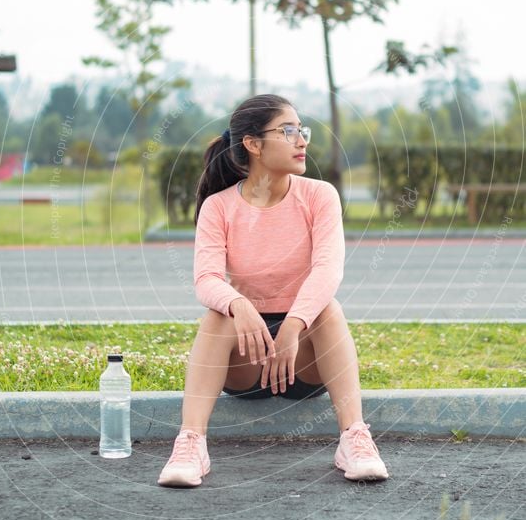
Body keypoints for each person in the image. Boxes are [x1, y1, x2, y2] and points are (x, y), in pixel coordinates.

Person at [158, 94, 389, 488]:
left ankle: (355, 439)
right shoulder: (218, 207)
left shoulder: (319, 196)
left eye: (303, 131)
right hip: (247, 361)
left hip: (305, 359)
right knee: (218, 314)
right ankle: (191, 444)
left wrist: (294, 325)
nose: (302, 141)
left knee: (328, 308)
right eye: (289, 131)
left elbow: (328, 270)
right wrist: (240, 305)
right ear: (253, 143)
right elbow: (206, 279)